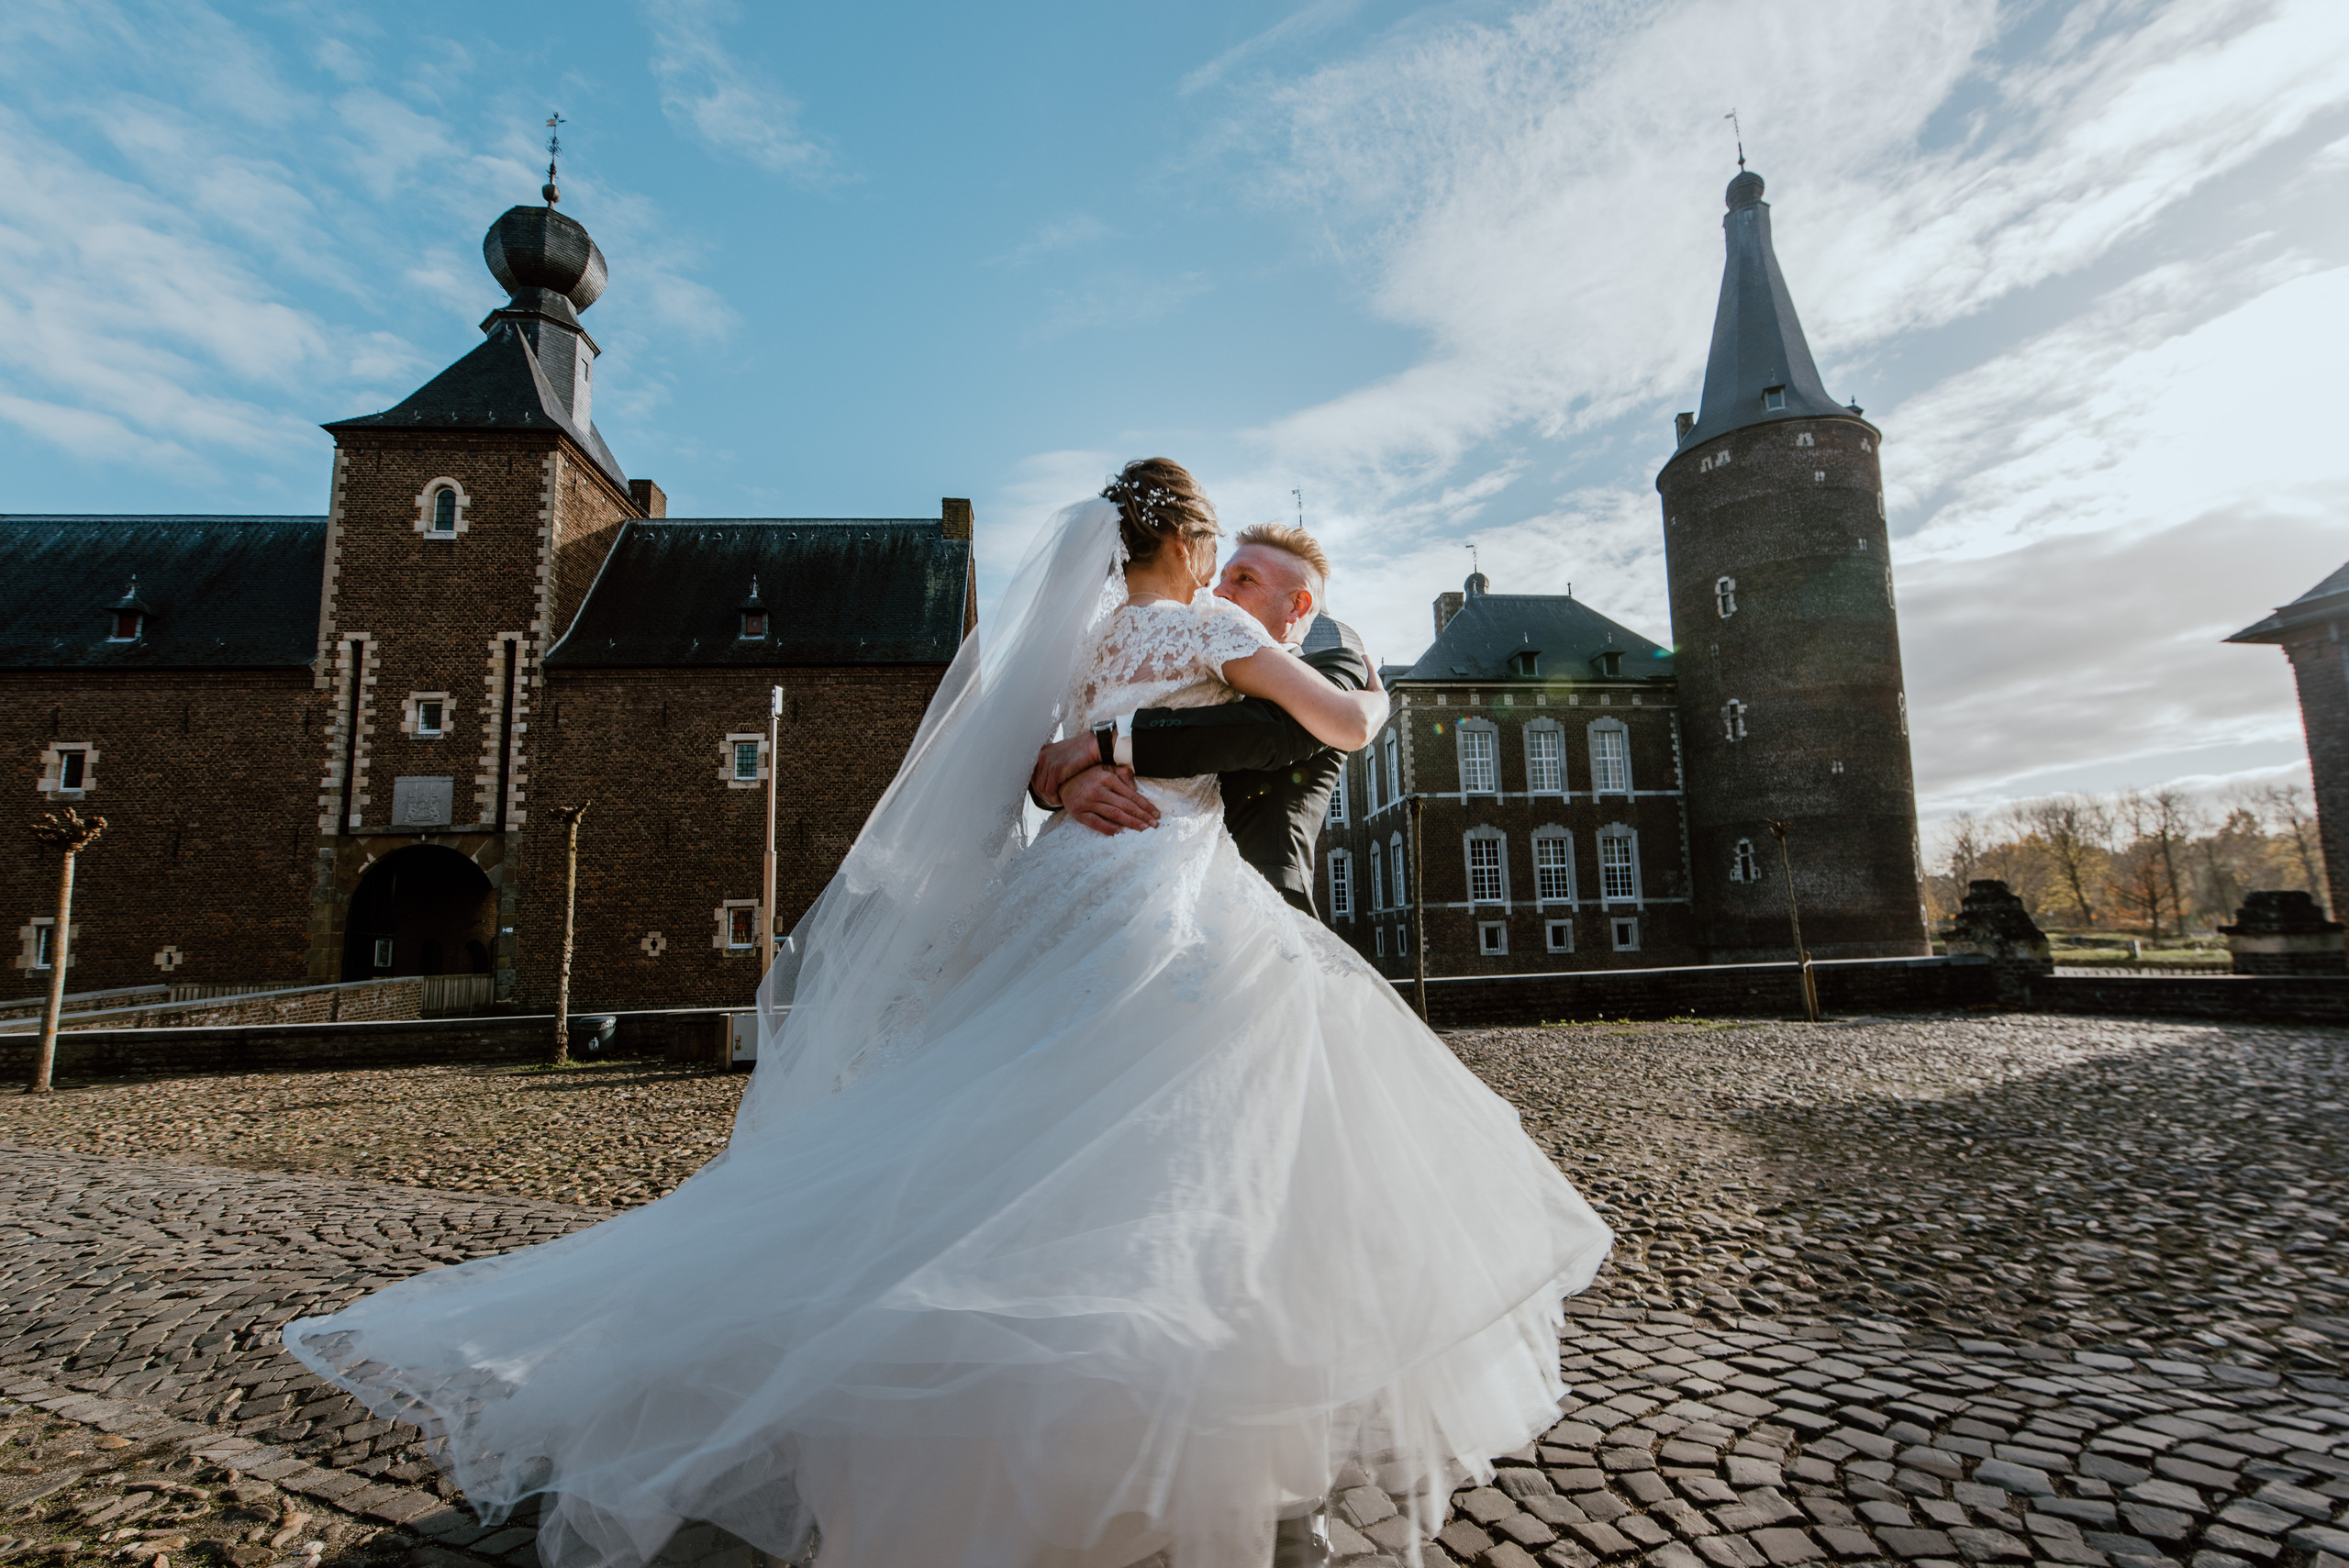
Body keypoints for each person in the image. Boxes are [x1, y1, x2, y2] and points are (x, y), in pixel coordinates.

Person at [285, 459, 1612, 1568]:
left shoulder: (1097, 645)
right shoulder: (1218, 634)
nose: (1229, 580)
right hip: (1157, 900)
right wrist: (1357, 704)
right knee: (1145, 1147)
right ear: (1193, 546)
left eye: (1256, 575)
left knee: (1005, 1119)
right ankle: (1152, 1427)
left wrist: (1085, 758)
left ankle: (1051, 1404)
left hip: (1073, 893)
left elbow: (1110, 747)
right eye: (1223, 556)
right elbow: (1331, 725)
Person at [1028, 522, 1370, 922]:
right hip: (1131, 887)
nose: (1219, 591)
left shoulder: (1333, 669)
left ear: (1297, 604)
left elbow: (1255, 731)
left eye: (1245, 579)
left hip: (1255, 909)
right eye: (1222, 576)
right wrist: (1066, 784)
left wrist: (1100, 745)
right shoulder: (1189, 653)